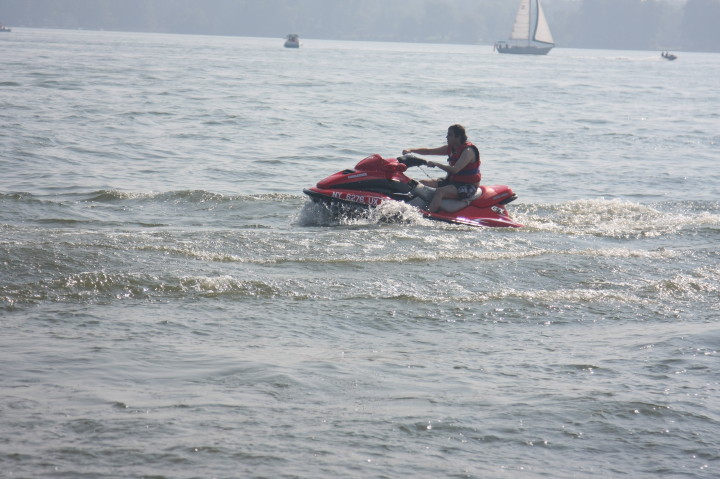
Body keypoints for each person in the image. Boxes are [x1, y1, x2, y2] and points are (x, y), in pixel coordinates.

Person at [402, 124, 481, 213]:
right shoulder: (450, 148)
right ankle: (410, 207)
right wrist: (411, 150)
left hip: (468, 186)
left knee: (440, 192)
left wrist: (436, 164)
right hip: (452, 182)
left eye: (449, 135)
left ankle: (429, 215)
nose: (446, 137)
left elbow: (455, 169)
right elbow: (429, 151)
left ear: (458, 137)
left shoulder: (468, 151)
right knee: (421, 184)